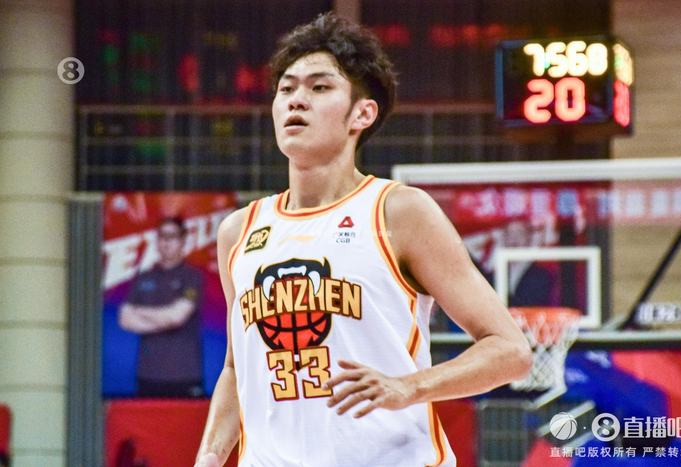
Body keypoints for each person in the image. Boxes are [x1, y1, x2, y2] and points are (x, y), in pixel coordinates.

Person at [195, 13, 532, 467]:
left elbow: (510, 350)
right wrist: (210, 455)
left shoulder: (399, 212)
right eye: (286, 89)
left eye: (319, 87)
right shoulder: (239, 231)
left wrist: (408, 387)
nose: (297, 100)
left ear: (362, 113)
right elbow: (237, 369)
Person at [119, 217, 204, 397]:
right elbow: (125, 319)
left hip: (185, 374)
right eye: (162, 236)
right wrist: (165, 319)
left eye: (172, 237)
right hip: (148, 374)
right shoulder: (144, 278)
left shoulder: (192, 277)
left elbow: (177, 317)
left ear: (183, 241)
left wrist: (140, 312)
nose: (166, 242)